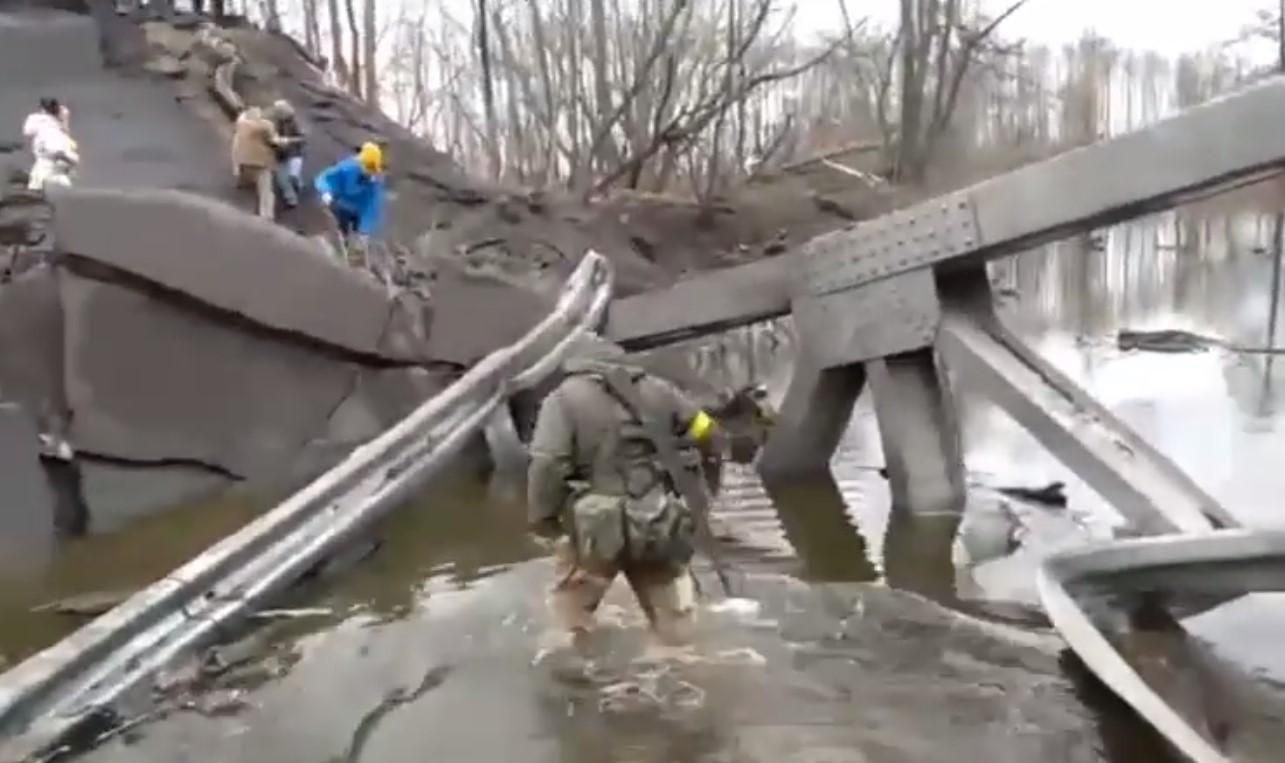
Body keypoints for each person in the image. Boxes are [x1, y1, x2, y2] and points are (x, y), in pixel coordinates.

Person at [527, 335, 725, 650]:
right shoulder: (660, 390)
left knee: (571, 622)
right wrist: (707, 491)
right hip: (659, 521)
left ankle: (583, 683)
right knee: (676, 630)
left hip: (595, 534)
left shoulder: (563, 399)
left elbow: (547, 465)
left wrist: (544, 522)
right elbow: (710, 433)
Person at [313, 142, 385, 242]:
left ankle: (354, 246)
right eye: (367, 167)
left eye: (372, 169)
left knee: (360, 239)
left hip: (359, 212)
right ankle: (338, 241)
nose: (369, 172)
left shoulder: (374, 182)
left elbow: (371, 207)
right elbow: (324, 178)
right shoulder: (348, 167)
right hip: (341, 205)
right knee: (341, 234)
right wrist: (326, 192)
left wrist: (364, 230)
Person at [230, 106, 281, 219]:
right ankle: (266, 216)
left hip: (244, 160)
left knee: (248, 187)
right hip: (261, 162)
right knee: (265, 190)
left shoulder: (241, 125)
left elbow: (236, 145)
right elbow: (275, 142)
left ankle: (247, 212)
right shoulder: (266, 125)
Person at [22, 98, 79, 192]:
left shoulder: (47, 126)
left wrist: (69, 159)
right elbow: (56, 150)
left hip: (49, 163)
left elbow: (28, 131)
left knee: (40, 183)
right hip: (51, 163)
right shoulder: (47, 124)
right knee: (40, 181)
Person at [268, 99, 305, 209]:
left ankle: (297, 182)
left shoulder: (295, 122)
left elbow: (302, 138)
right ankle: (291, 198)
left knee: (292, 176)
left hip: (294, 153)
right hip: (281, 154)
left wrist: (288, 140)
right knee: (283, 179)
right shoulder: (274, 121)